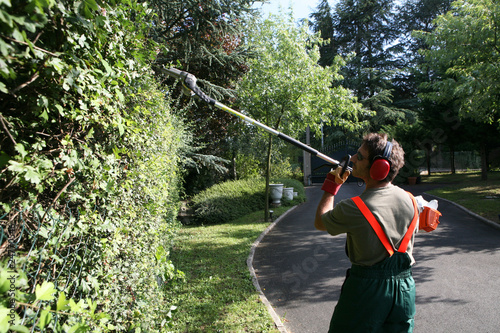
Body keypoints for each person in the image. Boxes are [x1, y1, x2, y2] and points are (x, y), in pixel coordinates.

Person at [314, 132, 418, 333]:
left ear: (379, 168)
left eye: (359, 156)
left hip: (367, 291)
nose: (352, 159)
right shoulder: (411, 200)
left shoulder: (354, 207)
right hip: (405, 289)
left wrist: (332, 185)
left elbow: (320, 221)